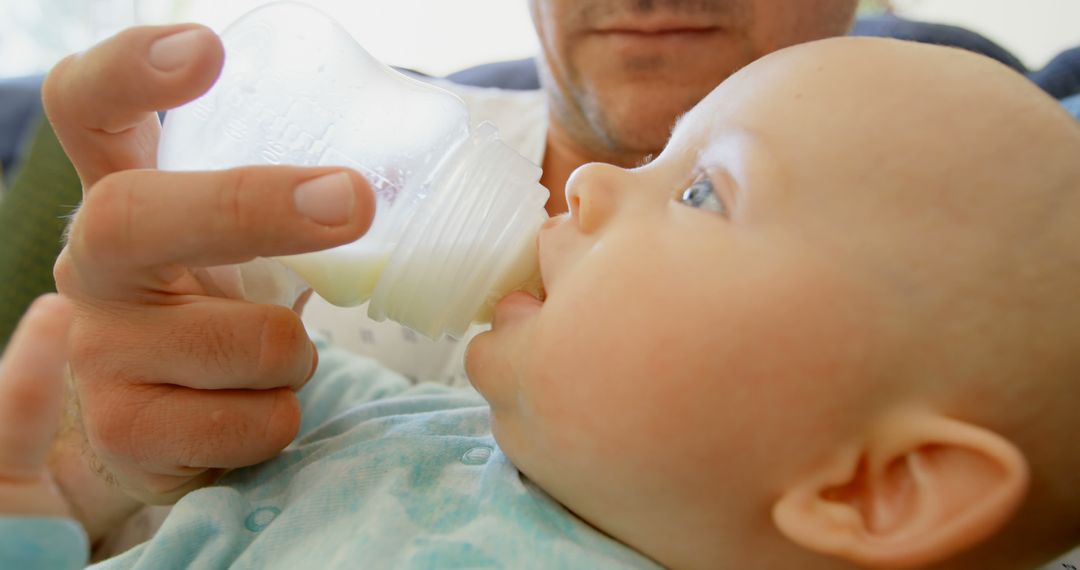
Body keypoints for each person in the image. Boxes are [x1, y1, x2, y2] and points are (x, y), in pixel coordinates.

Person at [6, 37, 1080, 569]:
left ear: (878, 487)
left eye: (704, 190)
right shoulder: (399, 412)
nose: (594, 188)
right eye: (659, 158)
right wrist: (52, 501)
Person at [39, 0, 862, 518]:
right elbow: (53, 504)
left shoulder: (949, 260)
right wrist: (109, 453)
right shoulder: (321, 185)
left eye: (703, 194)